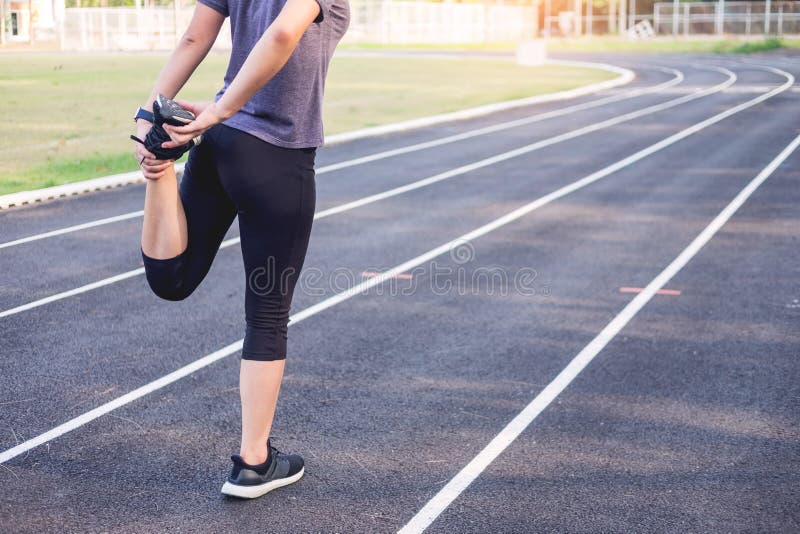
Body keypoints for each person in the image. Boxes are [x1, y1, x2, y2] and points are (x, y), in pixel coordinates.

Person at [131, 0, 349, 499]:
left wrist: (152, 112)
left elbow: (194, 38)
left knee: (173, 278)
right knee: (267, 315)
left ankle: (159, 165)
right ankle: (254, 462)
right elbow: (281, 35)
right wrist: (222, 108)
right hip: (276, 154)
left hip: (221, 146)